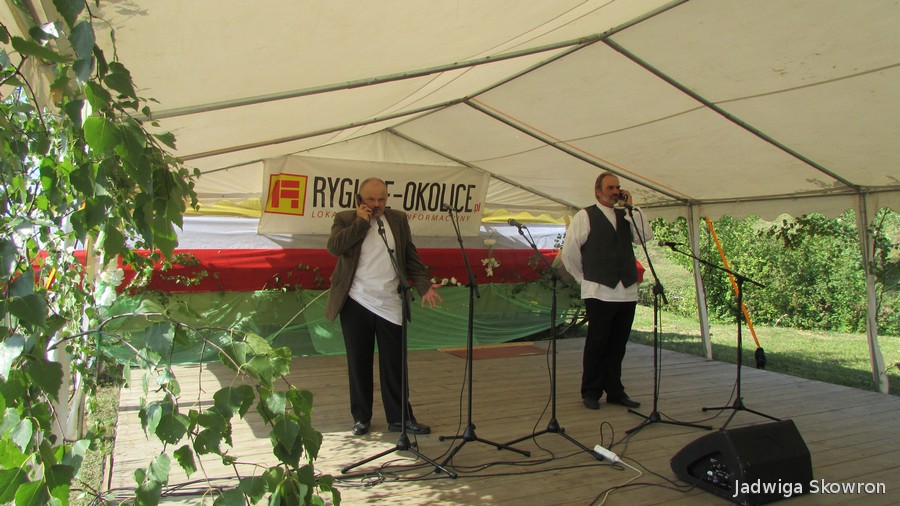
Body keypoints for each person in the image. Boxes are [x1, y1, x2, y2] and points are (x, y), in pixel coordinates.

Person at [325, 177, 443, 436]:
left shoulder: (397, 219)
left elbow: (409, 255)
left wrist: (424, 286)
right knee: (359, 362)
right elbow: (335, 247)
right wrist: (360, 222)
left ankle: (400, 418)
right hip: (356, 300)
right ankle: (361, 418)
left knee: (395, 363)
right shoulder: (345, 218)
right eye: (371, 199)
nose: (377, 204)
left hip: (390, 300)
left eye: (382, 199)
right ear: (359, 199)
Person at [560, 171, 653, 410]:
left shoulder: (627, 215)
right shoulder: (585, 216)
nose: (615, 192)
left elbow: (645, 237)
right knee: (598, 343)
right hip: (599, 290)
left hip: (626, 290)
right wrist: (584, 278)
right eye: (610, 188)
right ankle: (591, 391)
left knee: (618, 344)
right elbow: (570, 253)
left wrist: (632, 209)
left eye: (617, 187)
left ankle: (615, 390)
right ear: (598, 191)